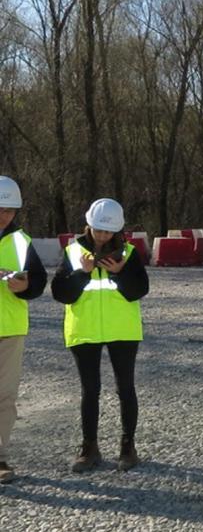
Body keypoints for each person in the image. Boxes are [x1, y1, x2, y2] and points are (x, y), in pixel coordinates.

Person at [51, 198, 149, 472]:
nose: (103, 236)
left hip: (122, 330)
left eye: (108, 231)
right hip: (84, 329)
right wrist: (82, 274)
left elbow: (139, 290)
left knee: (125, 388)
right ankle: (89, 447)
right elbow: (60, 293)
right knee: (90, 390)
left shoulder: (129, 253)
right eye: (98, 230)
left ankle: (128, 447)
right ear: (89, 226)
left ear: (118, 230)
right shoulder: (73, 252)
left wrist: (119, 273)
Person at [0, 175, 48, 483]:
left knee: (4, 396)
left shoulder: (22, 241)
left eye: (9, 210)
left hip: (10, 329)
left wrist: (25, 287)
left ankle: (0, 457)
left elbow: (39, 282)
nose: (4, 216)